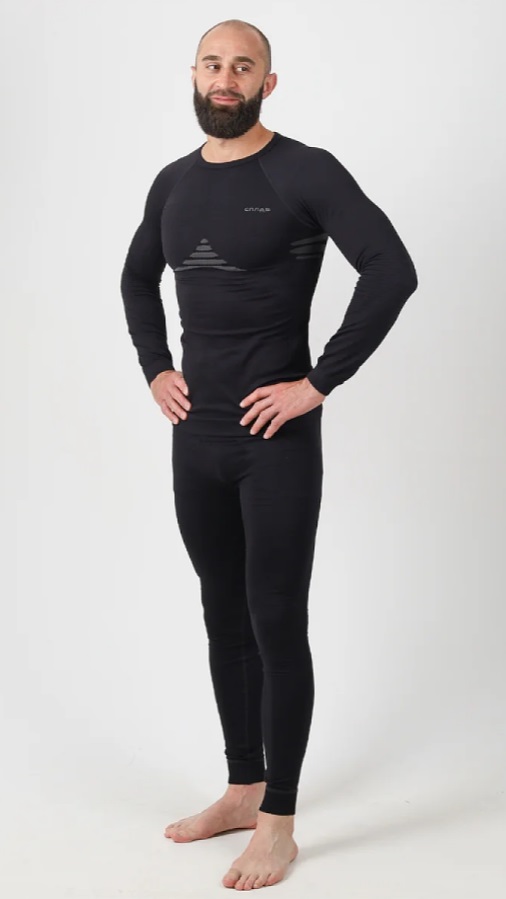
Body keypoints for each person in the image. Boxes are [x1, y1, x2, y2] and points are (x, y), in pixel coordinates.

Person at [120, 18, 418, 891]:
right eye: (213, 64)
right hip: (197, 439)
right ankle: (243, 788)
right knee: (222, 612)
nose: (226, 78)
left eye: (242, 66)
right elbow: (137, 277)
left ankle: (279, 823)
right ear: (193, 75)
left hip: (275, 444)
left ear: (267, 83)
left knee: (275, 618)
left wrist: (317, 382)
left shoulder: (304, 171)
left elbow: (392, 268)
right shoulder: (173, 182)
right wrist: (156, 366)